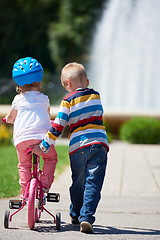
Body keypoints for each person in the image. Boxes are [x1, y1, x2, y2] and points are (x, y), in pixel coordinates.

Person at [33, 62, 109, 233]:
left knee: (78, 182)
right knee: (93, 183)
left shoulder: (67, 101)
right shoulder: (96, 95)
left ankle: (75, 214)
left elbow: (58, 127)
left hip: (78, 147)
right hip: (99, 145)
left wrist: (43, 147)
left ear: (67, 83)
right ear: (87, 81)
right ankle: (87, 218)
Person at [5, 57, 58, 197]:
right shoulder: (44, 99)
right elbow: (46, 114)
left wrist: (8, 119)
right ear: (40, 81)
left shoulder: (17, 100)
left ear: (18, 82)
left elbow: (11, 118)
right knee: (51, 159)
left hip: (22, 139)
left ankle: (25, 193)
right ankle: (44, 186)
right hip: (42, 138)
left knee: (24, 165)